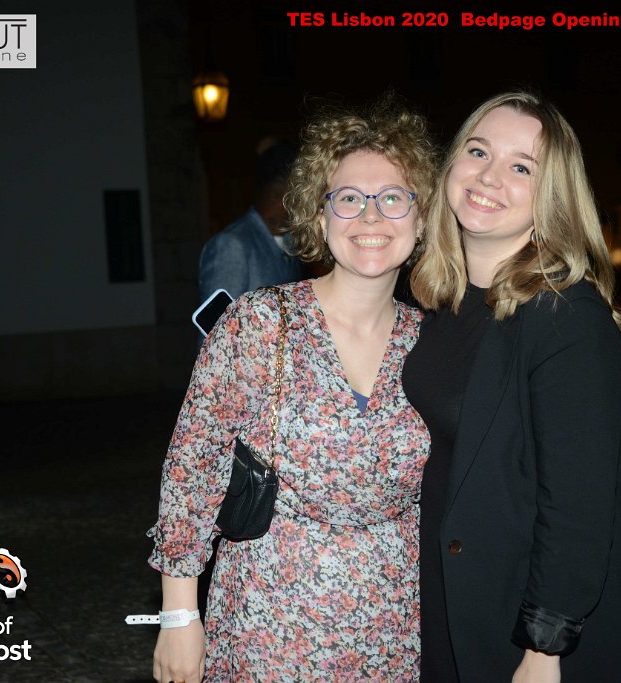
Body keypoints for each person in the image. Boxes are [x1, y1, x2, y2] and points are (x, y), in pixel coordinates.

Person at [148, 96, 437, 682]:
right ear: (319, 216)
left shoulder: (434, 343)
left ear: (422, 217)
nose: (371, 216)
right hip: (268, 621)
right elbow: (193, 465)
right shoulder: (259, 323)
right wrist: (179, 614)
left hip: (394, 625)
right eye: (348, 198)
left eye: (393, 198)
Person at [404, 91, 621, 681]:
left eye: (522, 167)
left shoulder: (566, 318)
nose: (489, 177)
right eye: (478, 152)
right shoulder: (444, 301)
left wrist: (544, 649)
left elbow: (580, 504)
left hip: (530, 626)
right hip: (460, 599)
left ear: (552, 201)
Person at [197, 140, 303, 303]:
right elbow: (219, 319)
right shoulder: (232, 245)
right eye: (298, 197)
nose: (300, 206)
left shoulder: (290, 240)